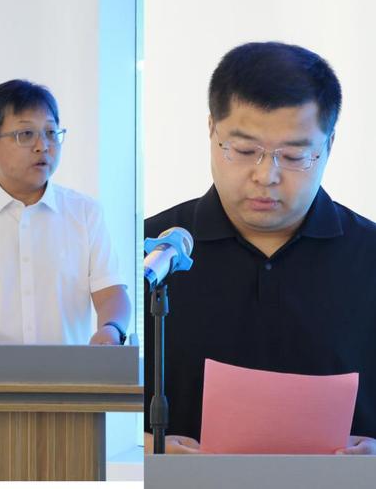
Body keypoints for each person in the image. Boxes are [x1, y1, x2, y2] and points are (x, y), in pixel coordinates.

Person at [144, 42, 376, 454]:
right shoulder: (150, 254)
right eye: (245, 150)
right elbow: (93, 404)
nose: (266, 175)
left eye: (294, 155)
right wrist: (145, 447)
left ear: (329, 145)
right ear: (211, 130)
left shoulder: (369, 256)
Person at [0, 79, 131, 345]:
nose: (43, 146)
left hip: (68, 371)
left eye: (51, 133)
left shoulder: (85, 213)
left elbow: (111, 293)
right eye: (26, 134)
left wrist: (111, 328)